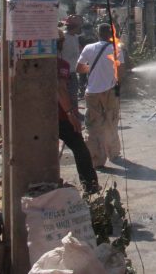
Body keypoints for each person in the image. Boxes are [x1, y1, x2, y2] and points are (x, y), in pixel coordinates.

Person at [76, 23, 123, 168]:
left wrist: (92, 69)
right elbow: (121, 70)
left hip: (92, 92)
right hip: (110, 91)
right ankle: (113, 153)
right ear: (111, 34)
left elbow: (79, 68)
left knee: (94, 125)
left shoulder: (89, 48)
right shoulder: (116, 49)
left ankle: (96, 158)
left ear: (98, 33)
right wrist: (118, 85)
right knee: (111, 121)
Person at [58, 31, 99, 194]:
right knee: (80, 148)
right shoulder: (60, 64)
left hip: (39, 118)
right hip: (60, 117)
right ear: (60, 44)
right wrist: (70, 114)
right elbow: (60, 89)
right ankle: (91, 186)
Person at [60, 15, 84, 119]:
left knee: (73, 94)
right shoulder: (62, 38)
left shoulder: (75, 38)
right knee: (67, 95)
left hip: (73, 71)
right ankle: (70, 114)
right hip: (64, 73)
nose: (80, 28)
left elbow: (78, 52)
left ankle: (75, 113)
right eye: (79, 26)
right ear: (74, 27)